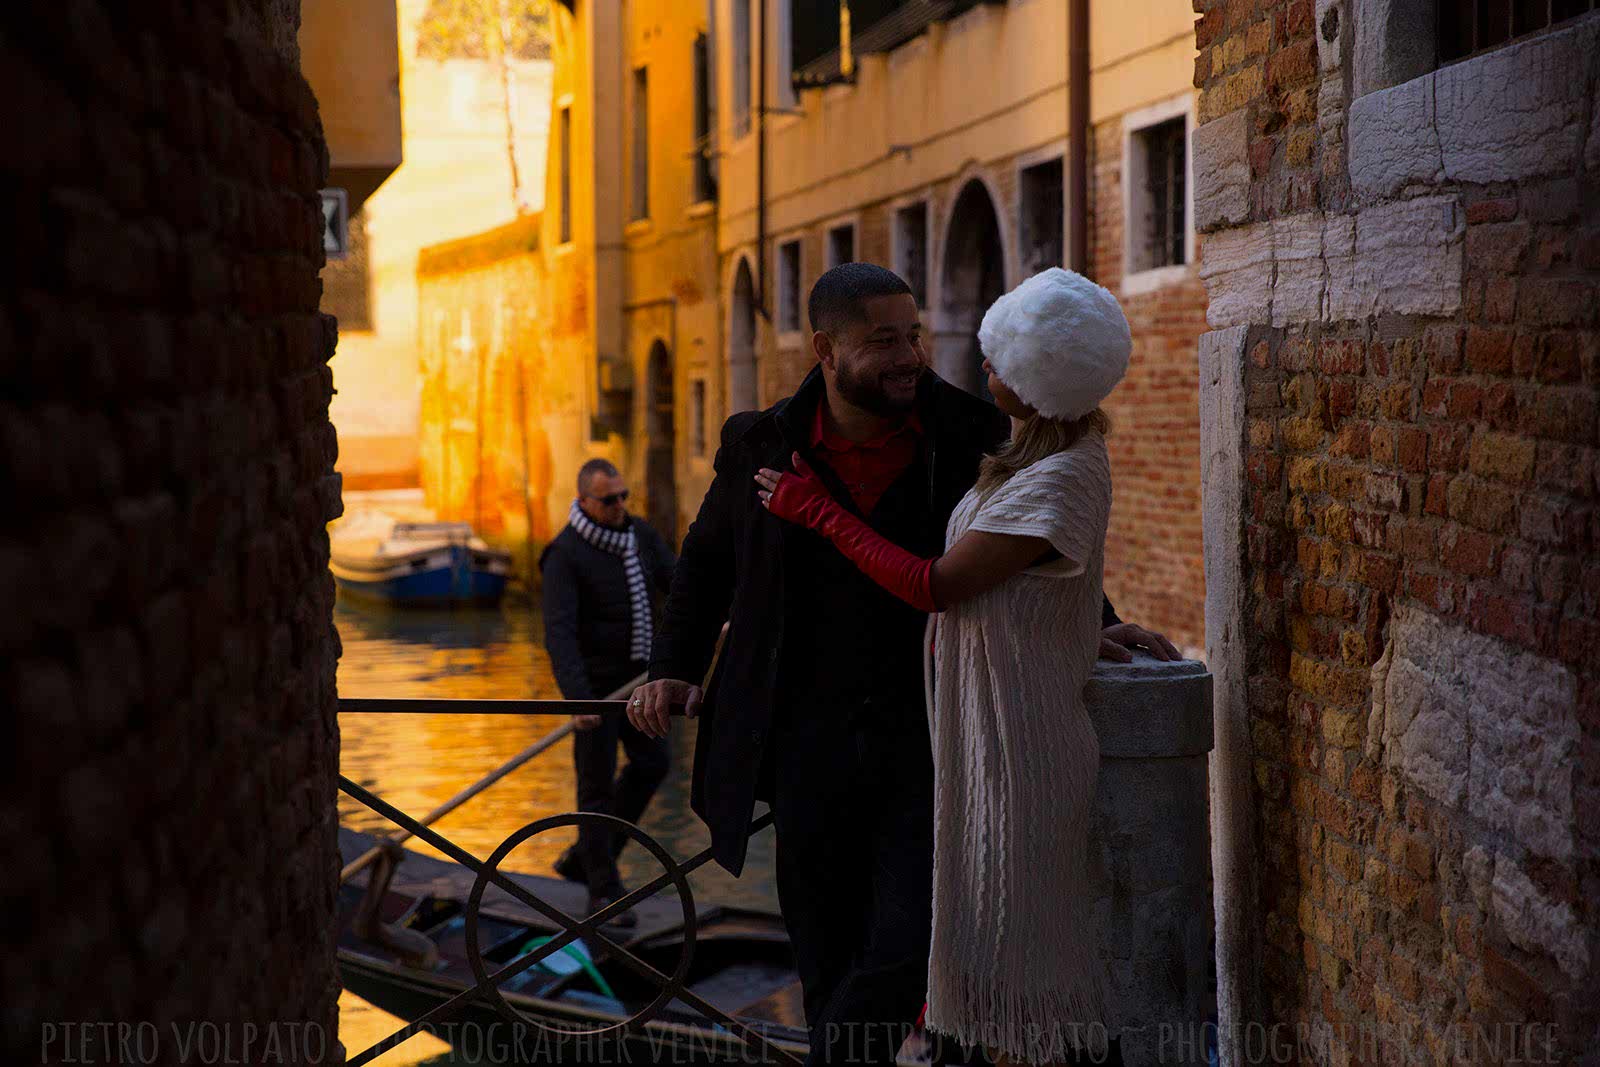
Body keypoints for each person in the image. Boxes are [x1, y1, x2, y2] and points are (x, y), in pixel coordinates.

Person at [627, 263, 1176, 1064]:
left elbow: (1024, 546)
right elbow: (707, 565)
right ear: (826, 349)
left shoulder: (969, 431)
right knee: (825, 955)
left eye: (913, 333)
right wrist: (670, 667)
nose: (909, 355)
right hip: (800, 742)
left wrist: (1097, 622)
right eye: (883, 340)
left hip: (933, 736)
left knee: (908, 945)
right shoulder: (760, 440)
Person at [756, 268, 1134, 1066]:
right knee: (973, 962)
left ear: (1032, 379)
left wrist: (818, 512)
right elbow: (1021, 587)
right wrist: (1071, 626)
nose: (976, 369)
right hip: (971, 731)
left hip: (1015, 742)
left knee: (1010, 963)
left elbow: (934, 584)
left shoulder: (1062, 473)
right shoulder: (1023, 458)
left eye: (996, 361)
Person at [540, 458, 677, 927]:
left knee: (654, 763)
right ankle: (602, 889)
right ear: (583, 502)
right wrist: (579, 699)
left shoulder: (640, 537)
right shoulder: (564, 555)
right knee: (594, 790)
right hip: (597, 692)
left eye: (623, 496)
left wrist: (715, 618)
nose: (620, 506)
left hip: (640, 685)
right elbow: (559, 633)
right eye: (609, 499)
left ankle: (585, 856)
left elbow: (676, 586)